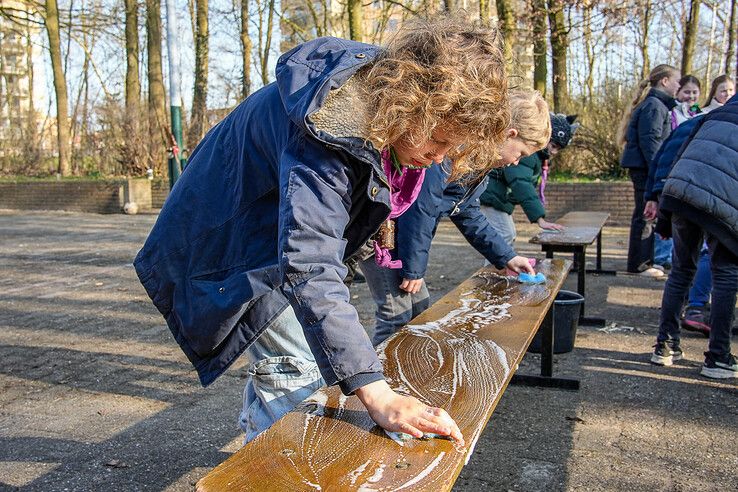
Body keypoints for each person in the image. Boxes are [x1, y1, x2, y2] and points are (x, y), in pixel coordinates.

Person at [134, 17, 512, 445]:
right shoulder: (330, 122)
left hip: (269, 239)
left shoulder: (381, 106)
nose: (437, 157)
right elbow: (309, 262)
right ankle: (277, 466)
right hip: (224, 244)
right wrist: (378, 393)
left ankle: (260, 454)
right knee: (296, 368)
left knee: (293, 362)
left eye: (451, 148)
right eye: (437, 141)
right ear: (412, 103)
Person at [360, 90, 550, 346]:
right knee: (397, 316)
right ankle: (375, 380)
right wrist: (413, 267)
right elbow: (420, 207)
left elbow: (468, 212)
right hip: (384, 236)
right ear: (510, 134)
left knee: (420, 310)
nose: (517, 162)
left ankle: (403, 377)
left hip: (400, 242)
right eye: (522, 154)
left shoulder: (477, 160)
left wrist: (506, 256)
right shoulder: (451, 148)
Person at [650, 93, 738, 379]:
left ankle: (665, 346)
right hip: (722, 202)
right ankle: (718, 357)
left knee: (681, 270)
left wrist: (665, 215)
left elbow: (678, 155)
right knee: (726, 273)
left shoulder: (712, 116)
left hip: (681, 193)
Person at [478, 112, 578, 248]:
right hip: (491, 196)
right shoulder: (529, 154)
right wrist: (539, 219)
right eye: (553, 146)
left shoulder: (539, 157)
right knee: (505, 235)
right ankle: (497, 269)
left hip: (498, 198)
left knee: (506, 236)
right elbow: (521, 182)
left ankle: (502, 267)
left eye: (558, 149)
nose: (554, 152)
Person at [617, 64, 680, 277]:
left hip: (644, 168)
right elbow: (651, 142)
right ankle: (639, 265)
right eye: (676, 81)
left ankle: (645, 261)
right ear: (664, 81)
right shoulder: (654, 106)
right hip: (646, 169)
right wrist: (659, 172)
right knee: (645, 215)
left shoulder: (655, 104)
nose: (678, 85)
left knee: (646, 215)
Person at [655, 75, 702, 269]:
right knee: (666, 218)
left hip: (692, 177)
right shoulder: (671, 112)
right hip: (672, 171)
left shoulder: (700, 114)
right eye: (686, 91)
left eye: (694, 92)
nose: (691, 96)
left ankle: (674, 257)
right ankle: (661, 256)